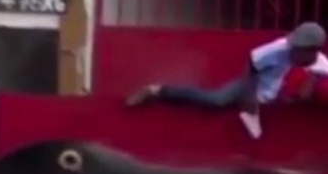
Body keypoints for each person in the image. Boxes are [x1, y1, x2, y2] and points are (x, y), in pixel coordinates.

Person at [127, 22, 328, 110]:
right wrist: (248, 96)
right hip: (249, 84)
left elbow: (303, 98)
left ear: (312, 50)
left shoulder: (321, 67)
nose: (292, 49)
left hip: (274, 98)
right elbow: (251, 63)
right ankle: (157, 90)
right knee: (216, 100)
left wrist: (313, 78)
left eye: (299, 48)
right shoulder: (278, 48)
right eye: (293, 45)